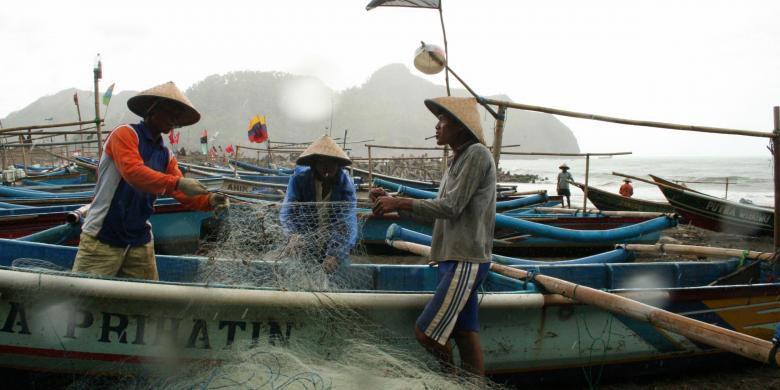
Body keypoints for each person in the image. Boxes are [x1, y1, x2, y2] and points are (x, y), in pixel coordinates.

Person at [371, 97, 495, 376]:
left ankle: (449, 379)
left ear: (460, 126)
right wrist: (391, 204)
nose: (436, 127)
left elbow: (451, 207)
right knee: (464, 333)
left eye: (443, 121)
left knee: (426, 333)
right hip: (451, 258)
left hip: (465, 257)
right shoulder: (455, 162)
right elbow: (434, 215)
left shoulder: (476, 154)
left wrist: (399, 202)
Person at [72, 81, 229, 280]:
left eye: (177, 116)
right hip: (102, 237)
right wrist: (178, 183)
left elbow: (179, 191)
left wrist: (209, 200)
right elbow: (133, 173)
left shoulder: (165, 154)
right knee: (86, 295)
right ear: (152, 110)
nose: (173, 119)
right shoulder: (125, 134)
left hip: (140, 240)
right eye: (170, 112)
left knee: (146, 295)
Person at [279, 135, 358, 274]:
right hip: (306, 238)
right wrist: (293, 235)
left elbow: (347, 220)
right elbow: (288, 211)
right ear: (314, 164)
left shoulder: (345, 185)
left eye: (332, 163)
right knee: (298, 269)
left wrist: (335, 253)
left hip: (333, 239)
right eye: (322, 162)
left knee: (335, 270)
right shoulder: (299, 180)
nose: (327, 168)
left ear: (338, 164)